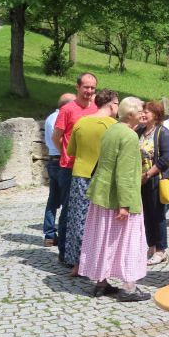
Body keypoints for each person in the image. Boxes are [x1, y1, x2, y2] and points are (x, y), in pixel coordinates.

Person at [78, 97, 150, 302]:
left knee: (103, 238)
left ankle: (101, 283)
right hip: (119, 198)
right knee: (128, 241)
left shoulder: (112, 130)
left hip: (102, 193)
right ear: (130, 114)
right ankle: (129, 288)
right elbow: (125, 173)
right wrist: (125, 205)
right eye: (140, 111)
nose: (143, 114)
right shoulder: (129, 135)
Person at [64, 89, 119, 275]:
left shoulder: (81, 122)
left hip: (80, 175)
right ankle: (97, 264)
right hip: (103, 177)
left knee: (77, 220)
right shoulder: (114, 126)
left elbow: (71, 151)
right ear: (112, 105)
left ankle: (77, 264)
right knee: (101, 222)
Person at [52, 73, 98, 264]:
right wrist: (66, 154)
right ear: (77, 87)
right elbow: (56, 137)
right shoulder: (67, 109)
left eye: (92, 88)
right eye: (86, 87)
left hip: (92, 168)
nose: (89, 91)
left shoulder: (97, 109)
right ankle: (64, 252)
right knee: (68, 210)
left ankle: (83, 252)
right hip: (70, 168)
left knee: (88, 212)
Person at [135, 100, 169, 266]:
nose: (143, 114)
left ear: (156, 115)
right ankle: (150, 246)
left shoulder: (162, 132)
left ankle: (161, 250)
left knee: (157, 215)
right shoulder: (140, 131)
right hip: (140, 179)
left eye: (147, 112)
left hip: (155, 179)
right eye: (143, 111)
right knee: (145, 214)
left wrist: (148, 174)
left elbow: (166, 158)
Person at [42, 93, 75, 247]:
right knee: (66, 201)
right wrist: (66, 154)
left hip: (52, 160)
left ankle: (49, 234)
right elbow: (59, 139)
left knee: (53, 200)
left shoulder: (50, 117)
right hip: (61, 161)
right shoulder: (61, 117)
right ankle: (64, 236)